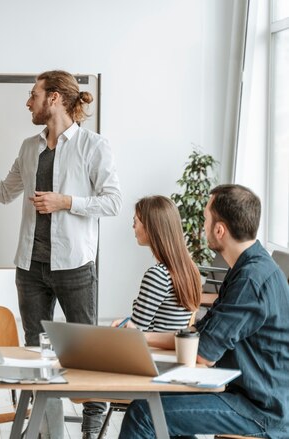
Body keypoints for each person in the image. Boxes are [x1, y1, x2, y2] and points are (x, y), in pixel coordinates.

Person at [0, 70, 122, 439]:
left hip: (74, 267)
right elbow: (3, 191)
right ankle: (50, 432)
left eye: (32, 95)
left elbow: (113, 201)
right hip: (31, 267)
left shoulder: (93, 146)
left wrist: (65, 201)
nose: (27, 102)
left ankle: (92, 428)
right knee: (36, 355)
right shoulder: (28, 147)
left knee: (87, 354)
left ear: (54, 98)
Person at [119, 184, 289, 438]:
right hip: (240, 392)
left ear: (219, 230)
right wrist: (140, 337)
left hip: (258, 409)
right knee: (154, 401)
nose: (202, 226)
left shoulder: (251, 279)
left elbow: (204, 354)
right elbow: (196, 335)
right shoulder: (247, 268)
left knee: (145, 413)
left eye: (205, 219)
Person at [112, 195, 201, 332]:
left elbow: (135, 332)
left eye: (135, 221)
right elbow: (163, 319)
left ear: (150, 227)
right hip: (171, 350)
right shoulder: (189, 269)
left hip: (152, 351)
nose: (133, 226)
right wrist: (128, 321)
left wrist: (126, 326)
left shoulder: (157, 275)